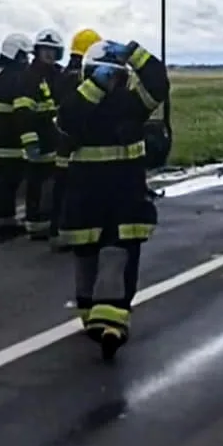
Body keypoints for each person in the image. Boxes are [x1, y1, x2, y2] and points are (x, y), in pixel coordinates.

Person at [56, 39, 170, 360]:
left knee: (111, 256)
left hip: (106, 198)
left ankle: (106, 321)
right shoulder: (84, 103)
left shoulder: (129, 104)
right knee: (101, 259)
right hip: (109, 197)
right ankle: (103, 320)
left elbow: (159, 83)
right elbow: (67, 119)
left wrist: (135, 52)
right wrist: (103, 80)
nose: (115, 82)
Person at [50, 28, 102, 250]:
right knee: (79, 195)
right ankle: (76, 238)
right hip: (80, 146)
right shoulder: (83, 78)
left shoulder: (60, 76)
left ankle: (56, 233)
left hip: (61, 144)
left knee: (60, 191)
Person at [13, 28, 64, 240]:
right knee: (37, 186)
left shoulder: (59, 76)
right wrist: (30, 142)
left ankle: (50, 223)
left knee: (55, 187)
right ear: (37, 51)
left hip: (57, 143)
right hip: (38, 143)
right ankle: (35, 225)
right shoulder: (29, 77)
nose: (49, 55)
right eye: (45, 50)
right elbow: (22, 112)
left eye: (52, 51)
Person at [0, 33, 32, 235]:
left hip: (1, 136)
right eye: (23, 56)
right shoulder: (14, 78)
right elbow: (21, 109)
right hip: (12, 138)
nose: (26, 61)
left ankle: (2, 217)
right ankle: (2, 219)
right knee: (11, 179)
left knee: (7, 179)